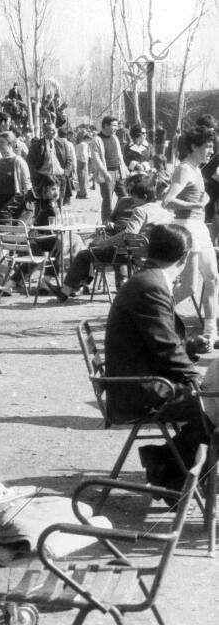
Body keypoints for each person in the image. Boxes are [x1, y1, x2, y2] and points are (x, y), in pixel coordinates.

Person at [105, 224, 211, 489]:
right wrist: (198, 381)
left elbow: (158, 342)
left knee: (211, 403)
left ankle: (170, 465)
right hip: (139, 390)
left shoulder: (147, 280)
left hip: (138, 380)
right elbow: (164, 349)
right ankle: (167, 466)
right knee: (214, 403)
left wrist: (189, 346)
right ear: (185, 259)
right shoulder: (151, 287)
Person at [46, 175, 172, 301]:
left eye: (134, 197)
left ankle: (66, 291)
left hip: (130, 254)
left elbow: (129, 233)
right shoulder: (165, 212)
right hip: (153, 255)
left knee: (84, 254)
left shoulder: (141, 210)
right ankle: (81, 286)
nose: (133, 200)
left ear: (144, 197)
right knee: (94, 251)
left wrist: (106, 243)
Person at [163, 115, 219, 346]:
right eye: (208, 146)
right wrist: (195, 204)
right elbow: (167, 200)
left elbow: (197, 197)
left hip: (199, 228)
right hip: (186, 228)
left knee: (213, 279)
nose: (212, 151)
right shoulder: (184, 168)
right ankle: (147, 314)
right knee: (188, 288)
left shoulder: (198, 170)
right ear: (195, 146)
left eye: (213, 146)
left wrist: (202, 198)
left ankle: (210, 331)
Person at [0, 131, 32, 233]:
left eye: (2, 142)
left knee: (11, 235)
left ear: (9, 144)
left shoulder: (18, 161)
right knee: (1, 237)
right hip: (0, 203)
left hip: (13, 204)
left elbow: (27, 186)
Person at [90, 116, 128, 222]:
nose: (116, 128)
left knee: (124, 196)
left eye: (117, 125)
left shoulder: (115, 137)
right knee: (107, 200)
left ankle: (117, 217)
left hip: (119, 172)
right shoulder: (96, 140)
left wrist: (124, 168)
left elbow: (119, 155)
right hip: (107, 173)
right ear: (106, 125)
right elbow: (97, 159)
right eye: (114, 125)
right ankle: (106, 224)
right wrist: (105, 173)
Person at [26, 121, 71, 206]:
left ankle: (57, 217)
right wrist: (36, 176)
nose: (54, 132)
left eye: (55, 130)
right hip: (43, 179)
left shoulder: (62, 143)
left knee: (58, 206)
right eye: (51, 130)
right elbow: (30, 163)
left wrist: (66, 173)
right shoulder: (36, 145)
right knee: (43, 207)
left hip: (59, 177)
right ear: (44, 131)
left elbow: (69, 159)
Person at [75, 131, 91, 198]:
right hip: (83, 162)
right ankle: (84, 193)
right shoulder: (85, 145)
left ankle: (79, 193)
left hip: (78, 162)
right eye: (89, 139)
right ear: (87, 139)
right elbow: (84, 154)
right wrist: (85, 162)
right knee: (84, 178)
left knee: (79, 178)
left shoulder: (78, 144)